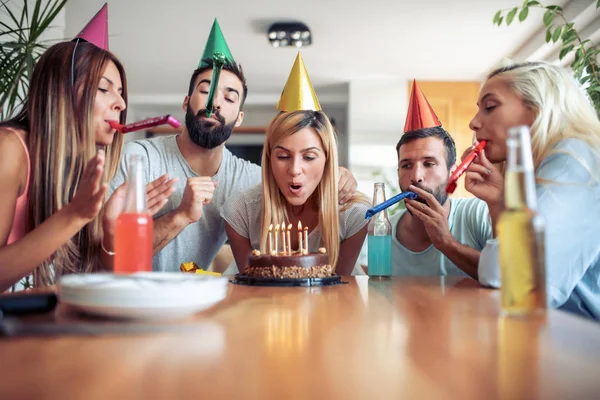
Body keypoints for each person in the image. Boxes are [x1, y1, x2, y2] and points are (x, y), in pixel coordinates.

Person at [111, 20, 358, 272]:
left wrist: (339, 176)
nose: (214, 103)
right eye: (206, 91)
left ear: (239, 118)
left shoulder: (249, 179)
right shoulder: (138, 160)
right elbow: (108, 258)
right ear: (186, 102)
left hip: (196, 304)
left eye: (229, 97)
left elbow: (297, 184)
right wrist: (181, 215)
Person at [0, 5, 173, 291]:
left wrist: (109, 229)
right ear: (62, 92)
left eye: (120, 93)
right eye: (104, 89)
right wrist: (74, 215)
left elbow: (88, 276)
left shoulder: (76, 169)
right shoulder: (9, 149)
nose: (122, 104)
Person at [464, 60, 600, 319]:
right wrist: (497, 201)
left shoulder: (576, 158)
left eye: (490, 107)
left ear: (538, 108)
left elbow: (505, 275)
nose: (473, 123)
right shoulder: (549, 167)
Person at [222, 53, 370, 275]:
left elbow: (338, 290)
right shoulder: (241, 210)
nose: (294, 170)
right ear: (269, 158)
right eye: (283, 157)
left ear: (328, 160)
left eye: (309, 157)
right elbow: (250, 287)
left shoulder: (354, 214)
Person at [391, 81, 492, 277]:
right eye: (406, 165)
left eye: (429, 164)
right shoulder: (381, 232)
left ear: (452, 173)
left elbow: (513, 279)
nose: (416, 177)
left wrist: (446, 242)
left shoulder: (479, 214)